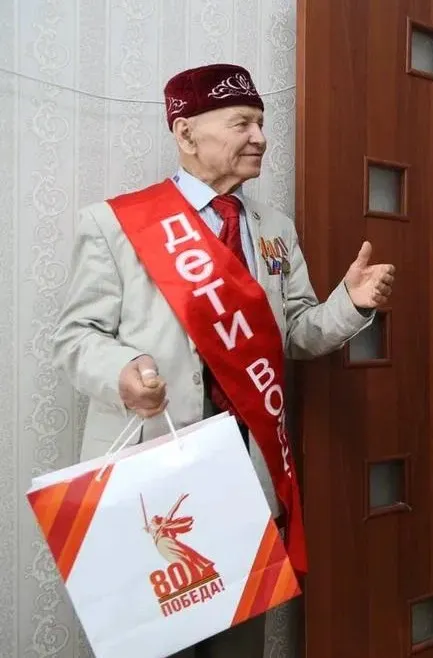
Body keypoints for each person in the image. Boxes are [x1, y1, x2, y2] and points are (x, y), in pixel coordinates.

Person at [51, 63, 396, 658]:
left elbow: (296, 334)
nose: (260, 137)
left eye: (261, 122)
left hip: (246, 463)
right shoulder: (117, 224)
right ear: (186, 132)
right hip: (152, 473)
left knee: (239, 636)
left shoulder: (273, 228)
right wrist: (123, 372)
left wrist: (350, 303)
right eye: (242, 123)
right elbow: (75, 336)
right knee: (153, 639)